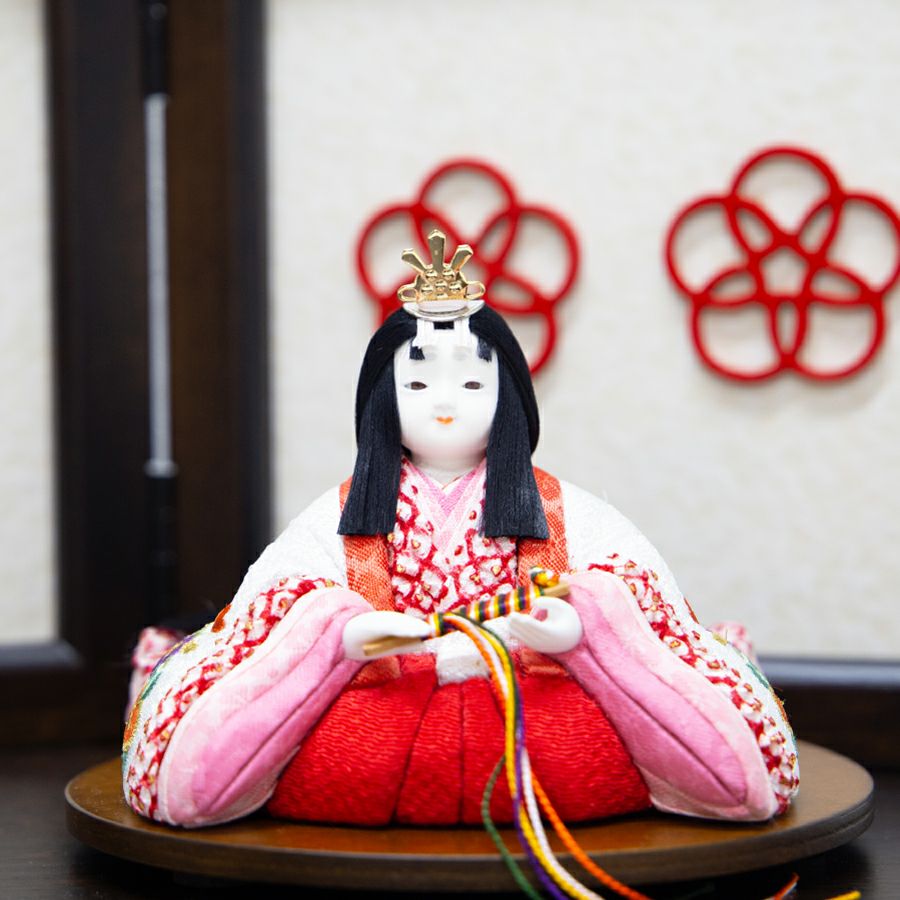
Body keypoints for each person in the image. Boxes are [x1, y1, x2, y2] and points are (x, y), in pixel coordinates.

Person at [123, 232, 798, 829]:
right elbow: (275, 597)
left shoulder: (563, 508)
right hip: (384, 698)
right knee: (245, 755)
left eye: (472, 386)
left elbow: (637, 584)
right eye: (418, 386)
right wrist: (336, 634)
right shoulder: (341, 513)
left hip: (527, 699)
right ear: (383, 399)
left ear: (509, 398)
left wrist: (585, 625)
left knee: (684, 746)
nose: (444, 404)